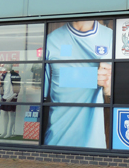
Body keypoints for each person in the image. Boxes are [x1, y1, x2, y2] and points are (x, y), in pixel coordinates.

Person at [44, 20, 113, 148]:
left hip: (94, 145)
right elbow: (41, 94)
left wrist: (109, 90)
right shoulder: (52, 40)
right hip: (56, 141)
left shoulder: (112, 38)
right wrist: (90, 77)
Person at [0, 64, 21, 138]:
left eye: (8, 65)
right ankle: (4, 131)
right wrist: (1, 95)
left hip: (12, 96)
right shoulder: (3, 75)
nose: (7, 66)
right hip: (4, 96)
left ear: (11, 66)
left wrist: (12, 96)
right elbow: (1, 86)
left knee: (11, 114)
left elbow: (17, 87)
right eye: (6, 65)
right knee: (4, 114)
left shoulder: (16, 75)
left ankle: (9, 132)